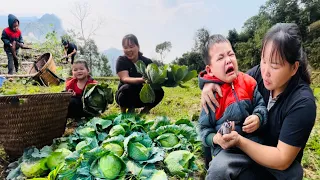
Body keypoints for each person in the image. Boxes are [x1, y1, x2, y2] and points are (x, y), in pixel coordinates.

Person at [200, 23, 316, 180]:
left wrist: (241, 139)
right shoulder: (256, 75)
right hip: (238, 156)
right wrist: (209, 82)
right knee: (218, 169)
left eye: (274, 66)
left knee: (293, 172)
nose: (265, 72)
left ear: (294, 68)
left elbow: (282, 160)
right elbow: (233, 81)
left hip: (271, 163)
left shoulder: (302, 103)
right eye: (263, 60)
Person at [198, 34, 268, 180]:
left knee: (290, 171)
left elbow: (261, 106)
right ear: (209, 70)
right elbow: (204, 130)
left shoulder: (249, 82)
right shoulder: (211, 97)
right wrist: (216, 139)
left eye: (231, 54)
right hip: (228, 152)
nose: (228, 60)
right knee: (217, 171)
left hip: (254, 145)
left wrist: (258, 117)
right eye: (220, 57)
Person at [115, 34, 164, 114]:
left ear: (138, 46)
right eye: (125, 47)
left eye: (131, 46)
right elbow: (125, 78)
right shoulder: (121, 60)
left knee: (159, 92)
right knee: (126, 88)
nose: (128, 50)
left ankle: (145, 110)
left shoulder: (147, 61)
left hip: (143, 95)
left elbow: (155, 77)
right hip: (126, 95)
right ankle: (123, 112)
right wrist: (142, 80)